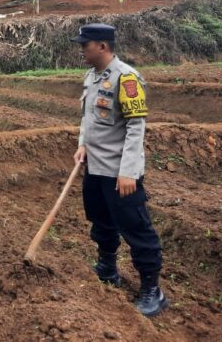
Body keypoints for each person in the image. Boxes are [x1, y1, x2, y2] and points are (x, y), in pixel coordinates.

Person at [72, 23, 169, 318]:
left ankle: (153, 290)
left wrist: (128, 171)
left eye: (85, 45)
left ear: (102, 46)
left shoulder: (126, 78)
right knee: (101, 222)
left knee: (136, 228)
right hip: (96, 168)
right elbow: (88, 119)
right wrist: (82, 144)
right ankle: (107, 267)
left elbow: (135, 127)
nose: (81, 50)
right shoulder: (91, 77)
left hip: (119, 172)